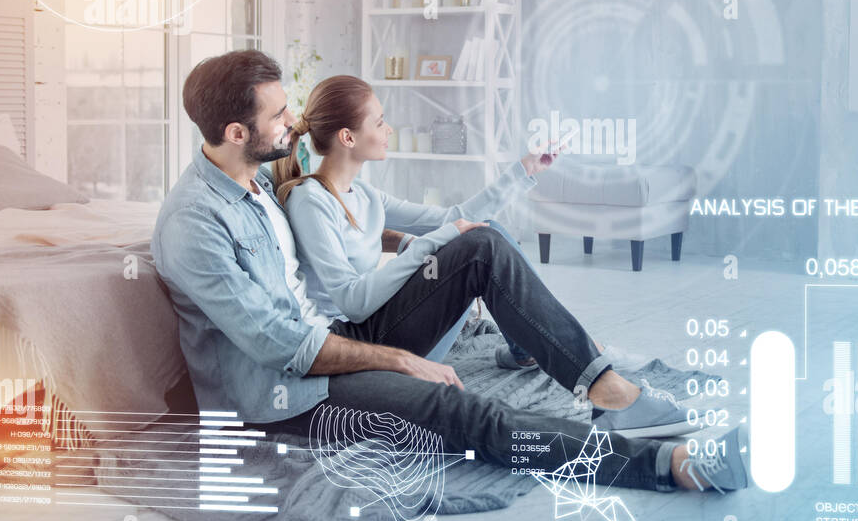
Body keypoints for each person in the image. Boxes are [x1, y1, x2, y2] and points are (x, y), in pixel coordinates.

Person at [150, 50, 748, 494]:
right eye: (278, 114)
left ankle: (605, 387)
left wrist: (511, 180)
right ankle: (669, 465)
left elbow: (375, 253)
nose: (291, 122)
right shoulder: (196, 222)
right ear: (236, 133)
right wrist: (400, 359)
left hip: (335, 341)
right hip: (282, 394)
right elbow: (276, 342)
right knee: (460, 413)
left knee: (481, 247)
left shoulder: (257, 186)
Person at [273, 74, 688, 438]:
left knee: (482, 233)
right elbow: (352, 299)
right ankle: (603, 390)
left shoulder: (364, 194)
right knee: (478, 245)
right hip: (357, 343)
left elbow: (455, 217)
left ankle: (531, 347)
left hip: (386, 328)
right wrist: (426, 245)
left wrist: (522, 171)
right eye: (379, 122)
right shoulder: (310, 201)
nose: (389, 129)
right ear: (348, 138)